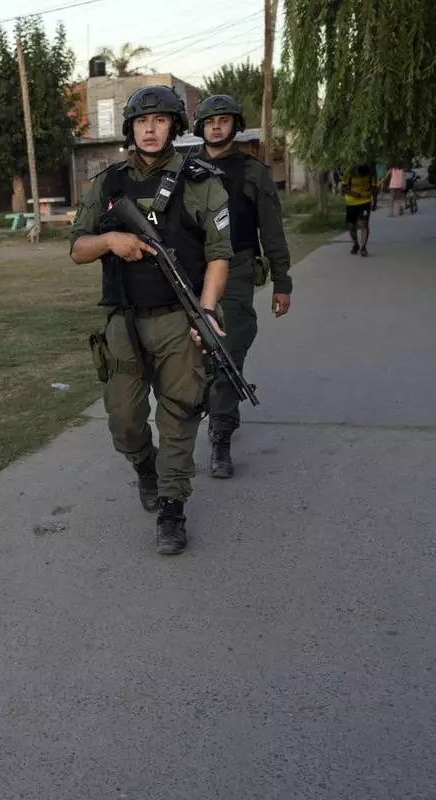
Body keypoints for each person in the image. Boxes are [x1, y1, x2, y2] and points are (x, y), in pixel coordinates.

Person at [69, 85, 232, 555]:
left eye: (160, 120)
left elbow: (220, 255)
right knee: (124, 421)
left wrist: (205, 311)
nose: (151, 129)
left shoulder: (202, 181)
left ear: (174, 126)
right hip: (123, 320)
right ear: (130, 128)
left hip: (180, 319)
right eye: (142, 121)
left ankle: (172, 508)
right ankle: (145, 466)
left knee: (179, 414)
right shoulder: (109, 184)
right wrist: (111, 243)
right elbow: (78, 249)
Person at [194, 94, 293, 480]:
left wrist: (282, 281)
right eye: (209, 121)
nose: (216, 126)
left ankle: (220, 433)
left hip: (236, 270)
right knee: (191, 353)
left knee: (228, 348)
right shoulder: (186, 169)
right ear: (199, 126)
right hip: (193, 272)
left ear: (235, 125)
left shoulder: (253, 172)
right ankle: (200, 413)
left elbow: (271, 229)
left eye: (224, 120)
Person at [341, 163, 376, 256]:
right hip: (351, 202)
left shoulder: (371, 174)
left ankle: (363, 247)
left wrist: (375, 202)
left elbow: (374, 188)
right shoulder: (349, 173)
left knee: (364, 224)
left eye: (362, 175)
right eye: (359, 174)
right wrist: (352, 193)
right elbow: (343, 189)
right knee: (351, 226)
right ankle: (355, 244)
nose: (360, 176)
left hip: (365, 202)